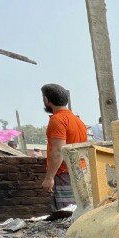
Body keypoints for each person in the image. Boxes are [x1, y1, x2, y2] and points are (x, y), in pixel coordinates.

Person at [40, 84, 88, 217]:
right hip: (78, 173)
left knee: (65, 216)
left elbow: (58, 151)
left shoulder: (57, 120)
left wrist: (49, 178)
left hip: (64, 174)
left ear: (46, 100)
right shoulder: (77, 120)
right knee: (78, 213)